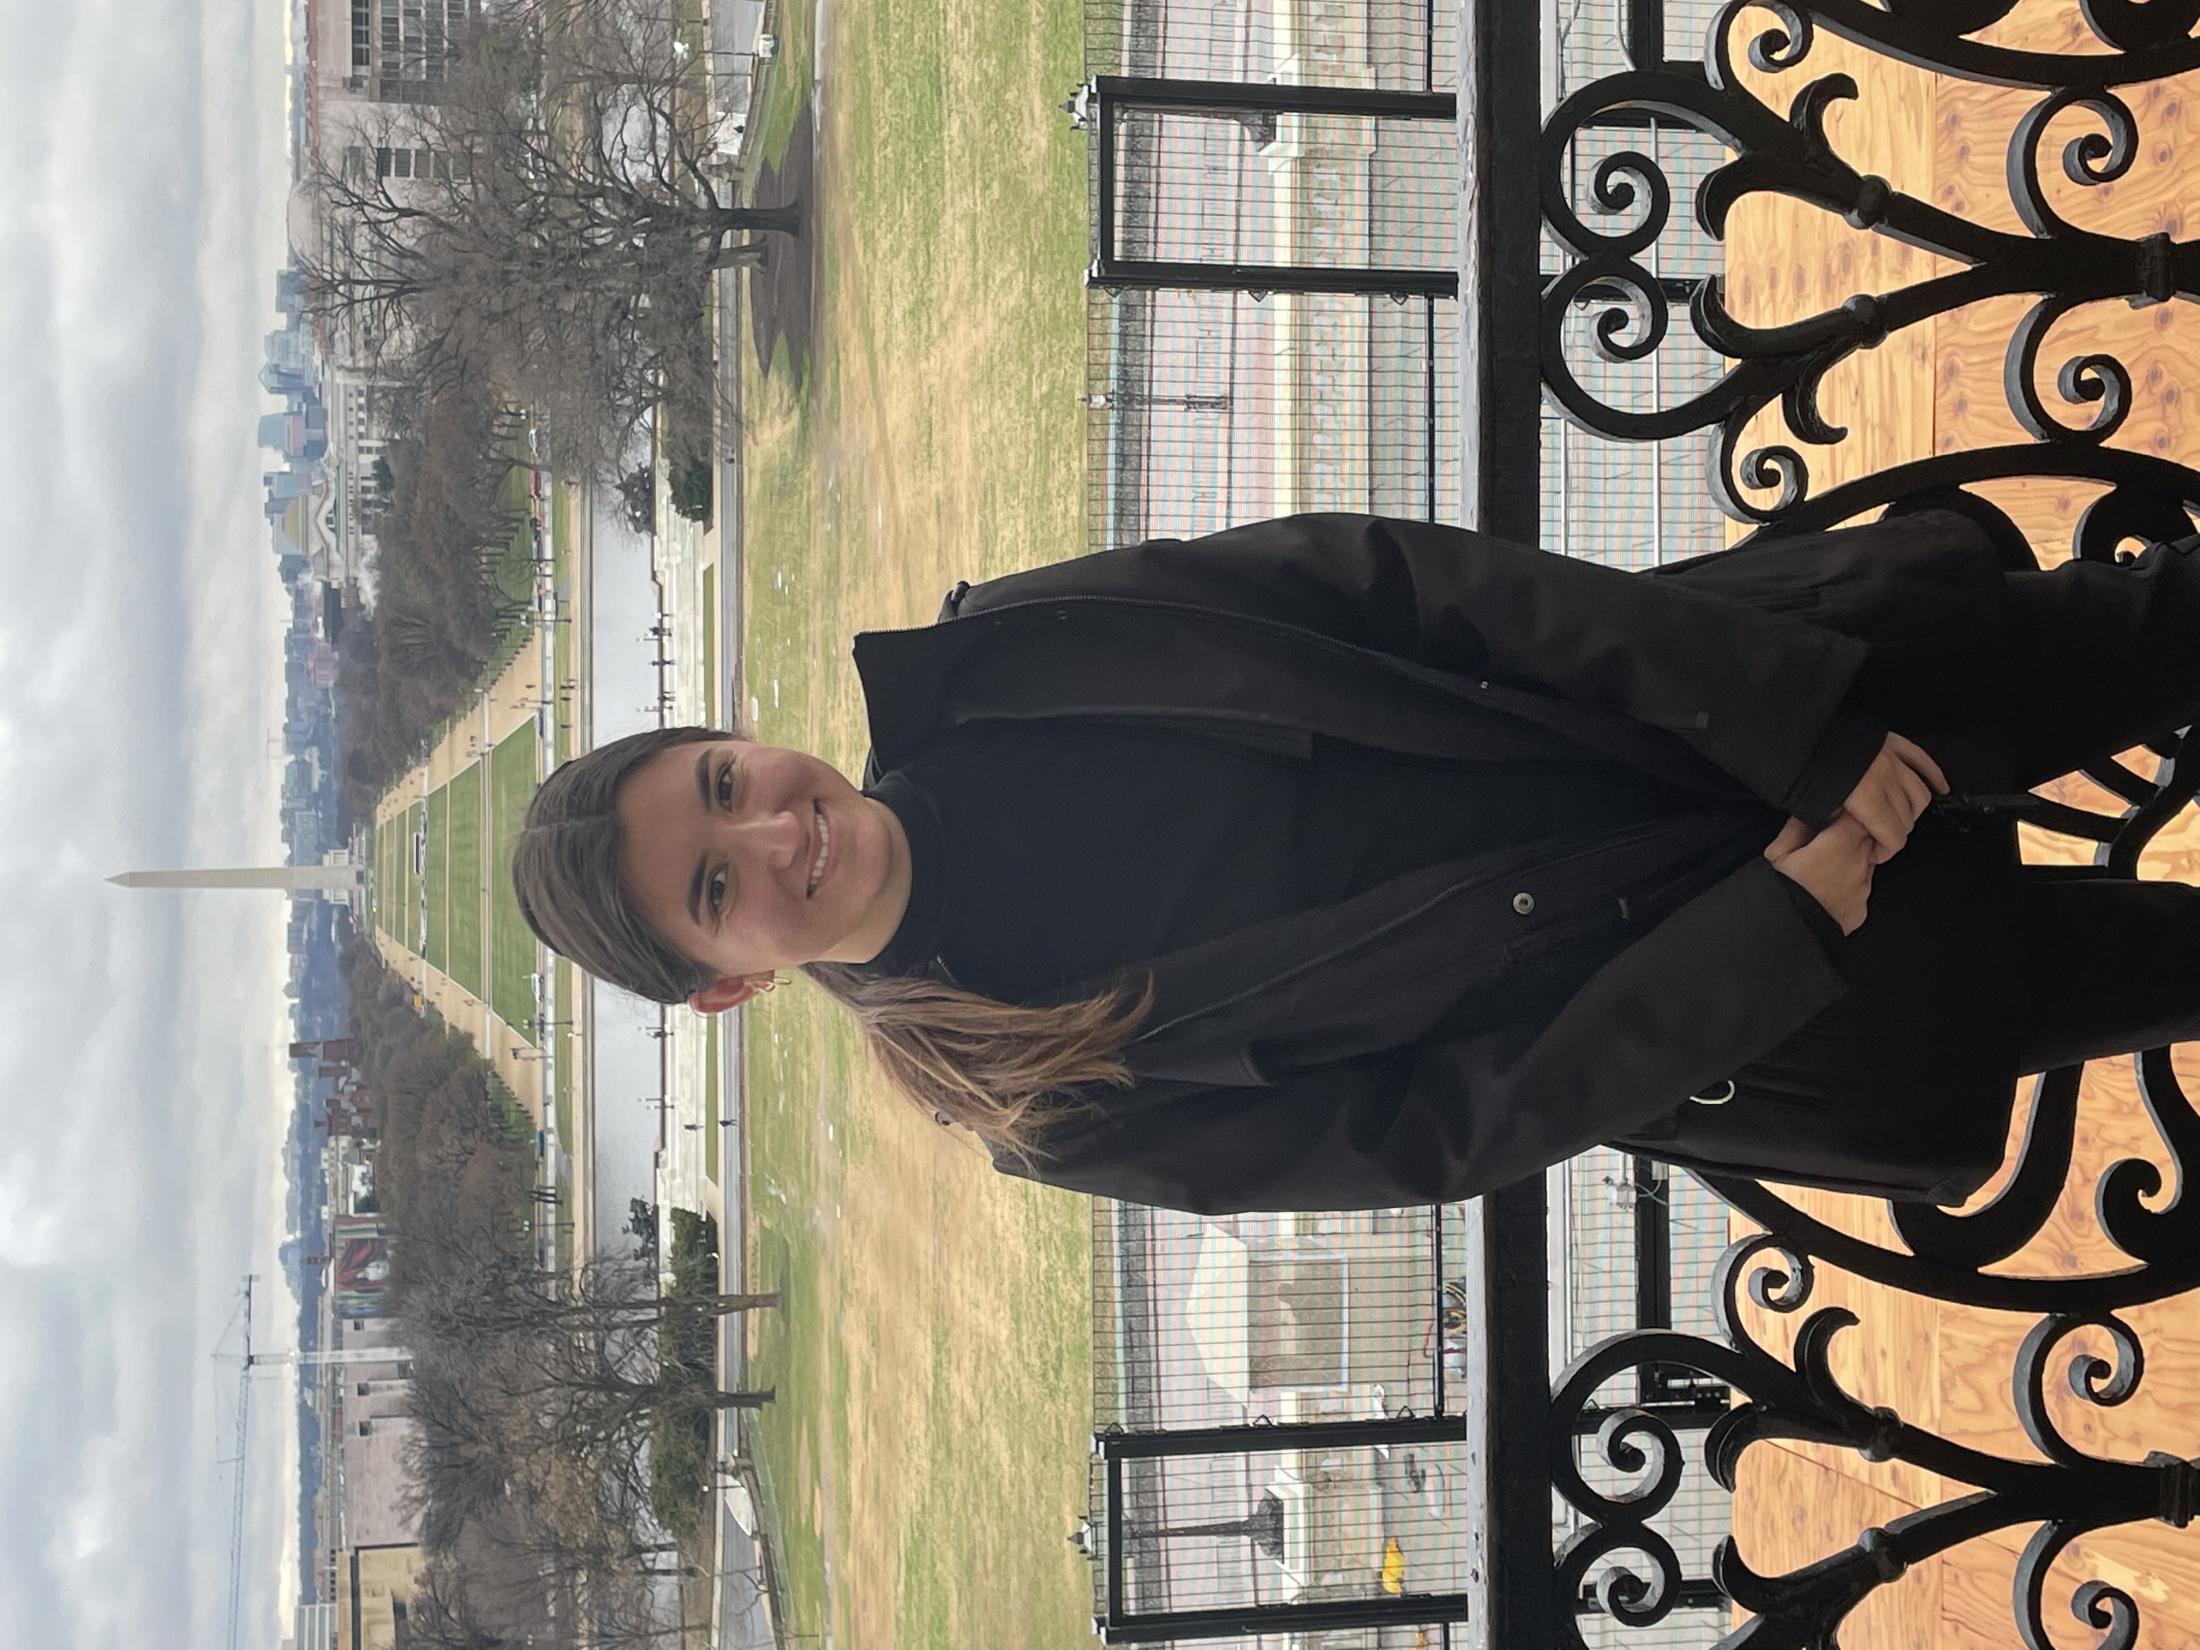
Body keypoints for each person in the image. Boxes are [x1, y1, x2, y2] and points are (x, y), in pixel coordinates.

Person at [511, 505, 2200, 1214]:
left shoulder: (1005, 655)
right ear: (729, 983)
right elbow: (1431, 1133)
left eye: (723, 779)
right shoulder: (1035, 1095)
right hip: (1782, 979)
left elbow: (1409, 585)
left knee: (2157, 635)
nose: (775, 825)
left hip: (1741, 707)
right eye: (716, 881)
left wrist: (1791, 727)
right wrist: (1766, 937)